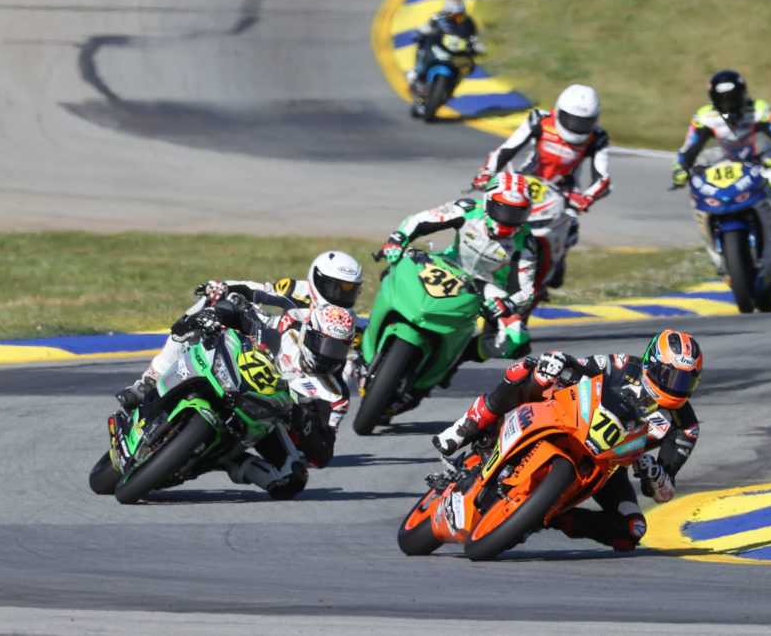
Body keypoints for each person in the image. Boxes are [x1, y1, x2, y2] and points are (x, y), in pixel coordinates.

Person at [433, 330, 703, 552]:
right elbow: (580, 365)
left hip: (606, 466)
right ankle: (468, 425)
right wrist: (560, 362)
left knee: (632, 530)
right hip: (570, 419)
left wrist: (654, 473)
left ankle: (544, 516)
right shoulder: (621, 365)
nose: (675, 387)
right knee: (528, 370)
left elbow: (664, 492)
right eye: (670, 376)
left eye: (685, 382)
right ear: (651, 364)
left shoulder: (685, 427)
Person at [115, 292, 355, 498]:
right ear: (308, 333)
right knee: (191, 329)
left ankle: (229, 461)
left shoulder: (335, 394)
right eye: (323, 344)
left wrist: (303, 421)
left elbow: (322, 455)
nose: (327, 355)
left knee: (292, 481)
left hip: (267, 418)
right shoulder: (287, 329)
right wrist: (217, 314)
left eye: (337, 349)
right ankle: (147, 385)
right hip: (232, 375)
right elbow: (246, 312)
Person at [115, 250, 364, 407]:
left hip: (300, 381)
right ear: (317, 279)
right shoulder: (296, 289)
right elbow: (257, 290)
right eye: (335, 287)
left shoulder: (346, 326)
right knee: (214, 303)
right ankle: (151, 378)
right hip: (268, 341)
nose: (340, 296)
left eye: (349, 291)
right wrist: (225, 288)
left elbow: (345, 372)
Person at [381, 170, 536, 362]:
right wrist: (398, 238)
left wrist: (508, 303)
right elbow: (421, 220)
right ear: (488, 201)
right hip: (447, 264)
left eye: (516, 212)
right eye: (502, 209)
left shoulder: (526, 242)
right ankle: (376, 330)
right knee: (394, 268)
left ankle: (459, 357)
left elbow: (526, 290)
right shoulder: (468, 209)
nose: (507, 219)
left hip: (487, 287)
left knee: (517, 339)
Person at [470, 84, 611, 286]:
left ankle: (556, 262)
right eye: (571, 119)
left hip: (565, 193)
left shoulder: (598, 138)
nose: (576, 126)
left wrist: (587, 197)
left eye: (583, 122)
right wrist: (486, 173)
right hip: (526, 181)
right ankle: (480, 259)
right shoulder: (540, 119)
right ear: (559, 111)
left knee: (571, 229)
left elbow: (602, 177)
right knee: (495, 214)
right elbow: (508, 148)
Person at [672, 70, 771, 257]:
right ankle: (713, 244)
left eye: (733, 99)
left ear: (743, 94)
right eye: (724, 101)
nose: (729, 106)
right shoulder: (704, 117)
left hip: (761, 158)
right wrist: (680, 168)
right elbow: (689, 147)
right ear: (714, 101)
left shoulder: (759, 110)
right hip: (728, 161)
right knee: (698, 188)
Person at [405, 0, 485, 92]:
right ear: (446, 13)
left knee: (470, 64)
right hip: (438, 45)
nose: (455, 19)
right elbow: (426, 27)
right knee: (422, 46)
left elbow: (474, 38)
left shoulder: (469, 23)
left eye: (459, 16)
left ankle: (454, 83)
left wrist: (477, 47)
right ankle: (417, 71)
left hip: (456, 52)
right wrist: (421, 32)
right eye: (452, 16)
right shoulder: (437, 18)